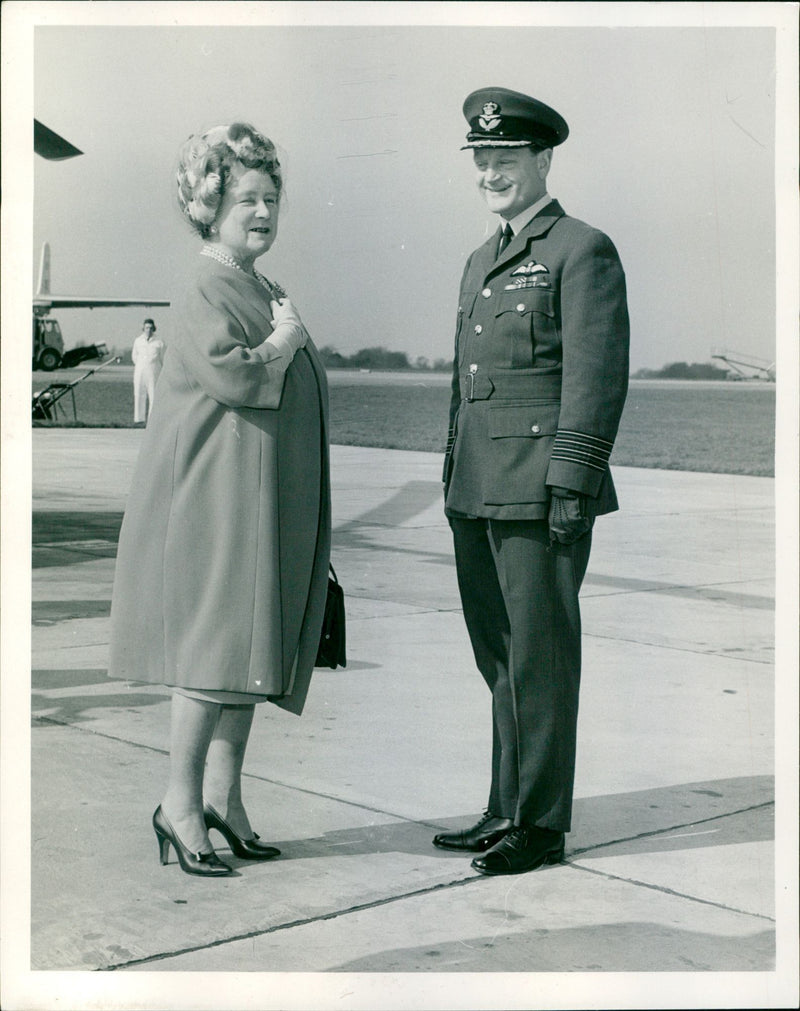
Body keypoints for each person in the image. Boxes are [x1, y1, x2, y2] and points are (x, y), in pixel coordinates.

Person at [108, 122, 331, 877]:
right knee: (210, 657)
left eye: (272, 198)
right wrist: (284, 344)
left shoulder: (259, 283)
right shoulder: (206, 283)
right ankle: (179, 802)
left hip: (252, 498)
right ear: (210, 204)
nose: (264, 211)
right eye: (247, 198)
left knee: (246, 658)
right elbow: (238, 375)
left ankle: (224, 799)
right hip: (213, 501)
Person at [434, 88, 629, 875]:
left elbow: (595, 374)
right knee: (500, 658)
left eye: (505, 158)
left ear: (542, 159)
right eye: (481, 159)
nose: (491, 171)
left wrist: (573, 485)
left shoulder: (581, 248)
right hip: (476, 485)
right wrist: (452, 473)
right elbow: (463, 383)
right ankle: (505, 804)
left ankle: (541, 824)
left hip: (542, 487)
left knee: (541, 658)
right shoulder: (480, 258)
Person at [131, 318, 165, 423]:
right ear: (143, 328)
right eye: (146, 328)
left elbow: (163, 358)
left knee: (153, 395)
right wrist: (141, 365)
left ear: (154, 329)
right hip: (140, 371)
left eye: (150, 328)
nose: (148, 330)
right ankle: (139, 419)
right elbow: (134, 357)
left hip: (154, 371)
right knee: (139, 393)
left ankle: (152, 419)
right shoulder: (138, 341)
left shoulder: (159, 342)